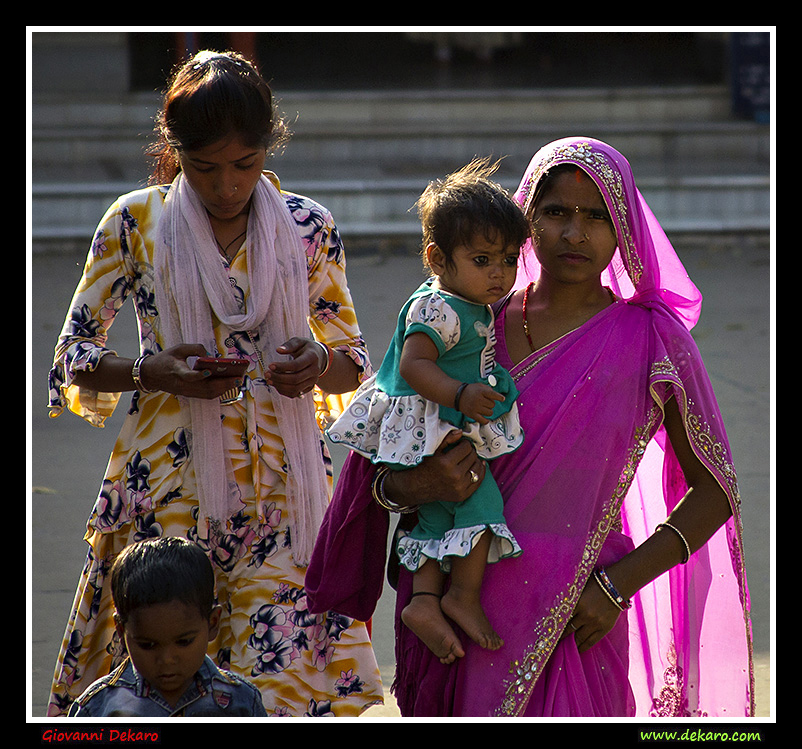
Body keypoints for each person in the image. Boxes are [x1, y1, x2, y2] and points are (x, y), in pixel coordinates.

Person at [307, 137, 754, 717]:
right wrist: (423, 486)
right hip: (450, 610)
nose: (575, 234)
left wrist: (618, 586)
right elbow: (381, 468)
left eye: (597, 216)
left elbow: (716, 489)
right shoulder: (467, 323)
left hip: (576, 611)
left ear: (624, 227)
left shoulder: (652, 341)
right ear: (527, 220)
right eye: (557, 213)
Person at [47, 50, 382, 718]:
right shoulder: (133, 222)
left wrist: (313, 362)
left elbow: (351, 359)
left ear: (267, 149)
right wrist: (153, 371)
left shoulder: (309, 227)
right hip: (166, 494)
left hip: (284, 496)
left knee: (281, 688)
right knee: (164, 679)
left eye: (244, 165)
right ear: (175, 153)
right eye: (205, 167)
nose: (227, 186)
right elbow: (76, 356)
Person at [327, 160, 530, 662]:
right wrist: (460, 395)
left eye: (508, 259)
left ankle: (422, 601)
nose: (499, 274)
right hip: (427, 424)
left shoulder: (470, 300)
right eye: (483, 260)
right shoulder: (435, 307)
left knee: (438, 513)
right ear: (438, 258)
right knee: (481, 505)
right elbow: (415, 364)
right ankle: (459, 596)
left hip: (442, 421)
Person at [67, 537, 267, 717]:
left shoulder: (240, 703)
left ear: (213, 623)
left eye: (183, 642)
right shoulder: (99, 708)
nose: (167, 659)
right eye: (148, 645)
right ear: (121, 631)